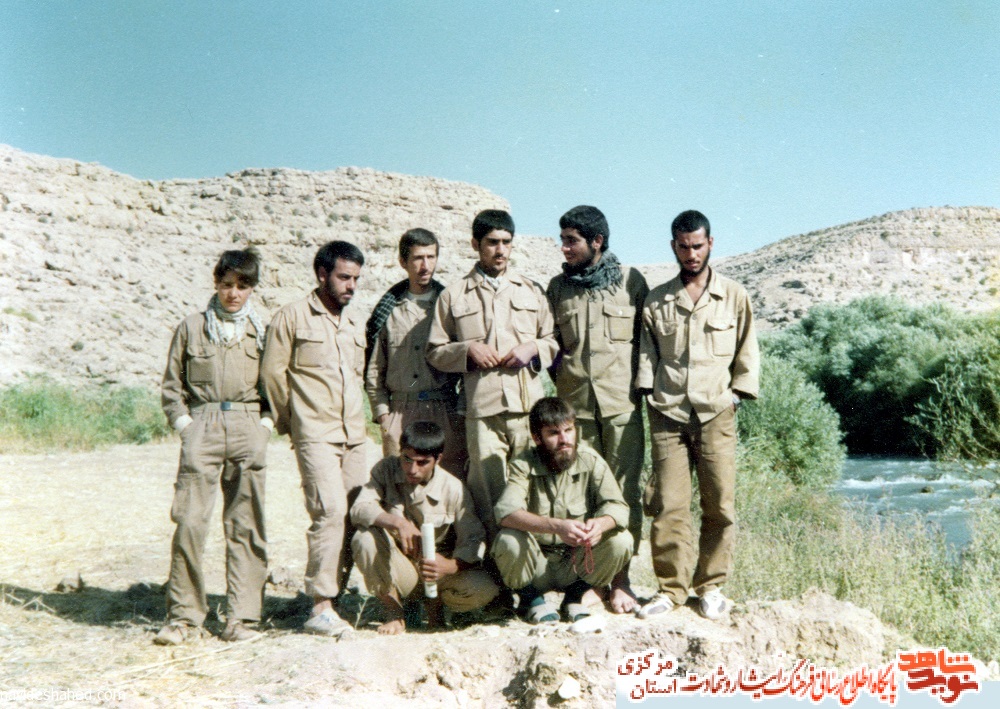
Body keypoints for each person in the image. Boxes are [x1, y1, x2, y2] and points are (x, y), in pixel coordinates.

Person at [634, 210, 759, 621]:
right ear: (674, 246)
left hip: (716, 412)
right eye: (684, 247)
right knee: (668, 505)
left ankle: (711, 587)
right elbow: (647, 354)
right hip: (667, 412)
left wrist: (737, 394)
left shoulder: (734, 295)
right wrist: (649, 394)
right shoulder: (657, 299)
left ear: (710, 244)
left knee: (719, 504)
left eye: (698, 246)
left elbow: (747, 349)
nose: (691, 254)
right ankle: (670, 590)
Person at [156, 248, 271, 645]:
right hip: (202, 425)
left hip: (247, 425)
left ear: (252, 288)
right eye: (226, 285)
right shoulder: (191, 328)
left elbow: (275, 386)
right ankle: (184, 617)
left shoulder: (261, 331)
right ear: (216, 284)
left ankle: (242, 618)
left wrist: (265, 426)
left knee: (246, 525)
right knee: (190, 521)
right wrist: (185, 426)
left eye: (242, 286)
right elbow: (171, 386)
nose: (233, 294)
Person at [426, 209, 558, 539]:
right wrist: (466, 351)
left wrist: (532, 348)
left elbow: (553, 340)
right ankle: (496, 565)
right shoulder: (453, 295)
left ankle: (532, 564)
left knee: (534, 487)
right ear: (475, 244)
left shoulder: (531, 291)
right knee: (487, 492)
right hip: (482, 412)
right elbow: (435, 351)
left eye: (506, 242)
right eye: (492, 242)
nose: (500, 250)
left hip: (527, 410)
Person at [261, 240, 368, 638]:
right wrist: (296, 424)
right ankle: (320, 606)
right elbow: (273, 376)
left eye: (356, 279)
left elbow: (357, 376)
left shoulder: (353, 324)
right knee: (329, 512)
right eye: (344, 277)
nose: (351, 286)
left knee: (354, 515)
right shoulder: (291, 317)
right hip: (315, 435)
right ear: (322, 275)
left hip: (353, 435)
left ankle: (335, 597)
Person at [546, 205, 649, 614]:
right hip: (576, 412)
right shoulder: (558, 288)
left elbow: (646, 342)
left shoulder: (631, 282)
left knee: (624, 492)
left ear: (597, 242)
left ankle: (621, 580)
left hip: (621, 407)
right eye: (563, 240)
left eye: (572, 241)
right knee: (581, 493)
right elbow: (552, 347)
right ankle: (588, 581)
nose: (564, 248)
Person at [491, 397, 633, 624]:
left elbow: (618, 507)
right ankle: (531, 600)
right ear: (537, 438)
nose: (564, 439)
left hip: (576, 562)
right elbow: (506, 513)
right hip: (537, 565)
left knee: (621, 540)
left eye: (569, 430)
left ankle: (575, 598)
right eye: (554, 433)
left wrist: (600, 525)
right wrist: (556, 526)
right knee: (509, 540)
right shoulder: (523, 464)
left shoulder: (590, 460)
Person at [350, 421, 499, 634]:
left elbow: (473, 540)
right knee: (364, 539)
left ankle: (439, 608)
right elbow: (360, 508)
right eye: (406, 459)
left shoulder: (453, 488)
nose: (412, 469)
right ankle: (393, 610)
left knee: (484, 589)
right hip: (401, 569)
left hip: (438, 574)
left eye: (422, 462)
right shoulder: (386, 470)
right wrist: (398, 523)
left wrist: (450, 566)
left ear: (438, 459)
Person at [364, 228, 466, 476]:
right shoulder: (389, 311)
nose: (425, 266)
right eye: (418, 258)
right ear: (403, 262)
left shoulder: (450, 307)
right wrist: (384, 417)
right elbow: (375, 371)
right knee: (401, 484)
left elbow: (466, 364)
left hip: (444, 410)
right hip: (401, 412)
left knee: (448, 484)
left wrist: (459, 415)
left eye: (431, 257)